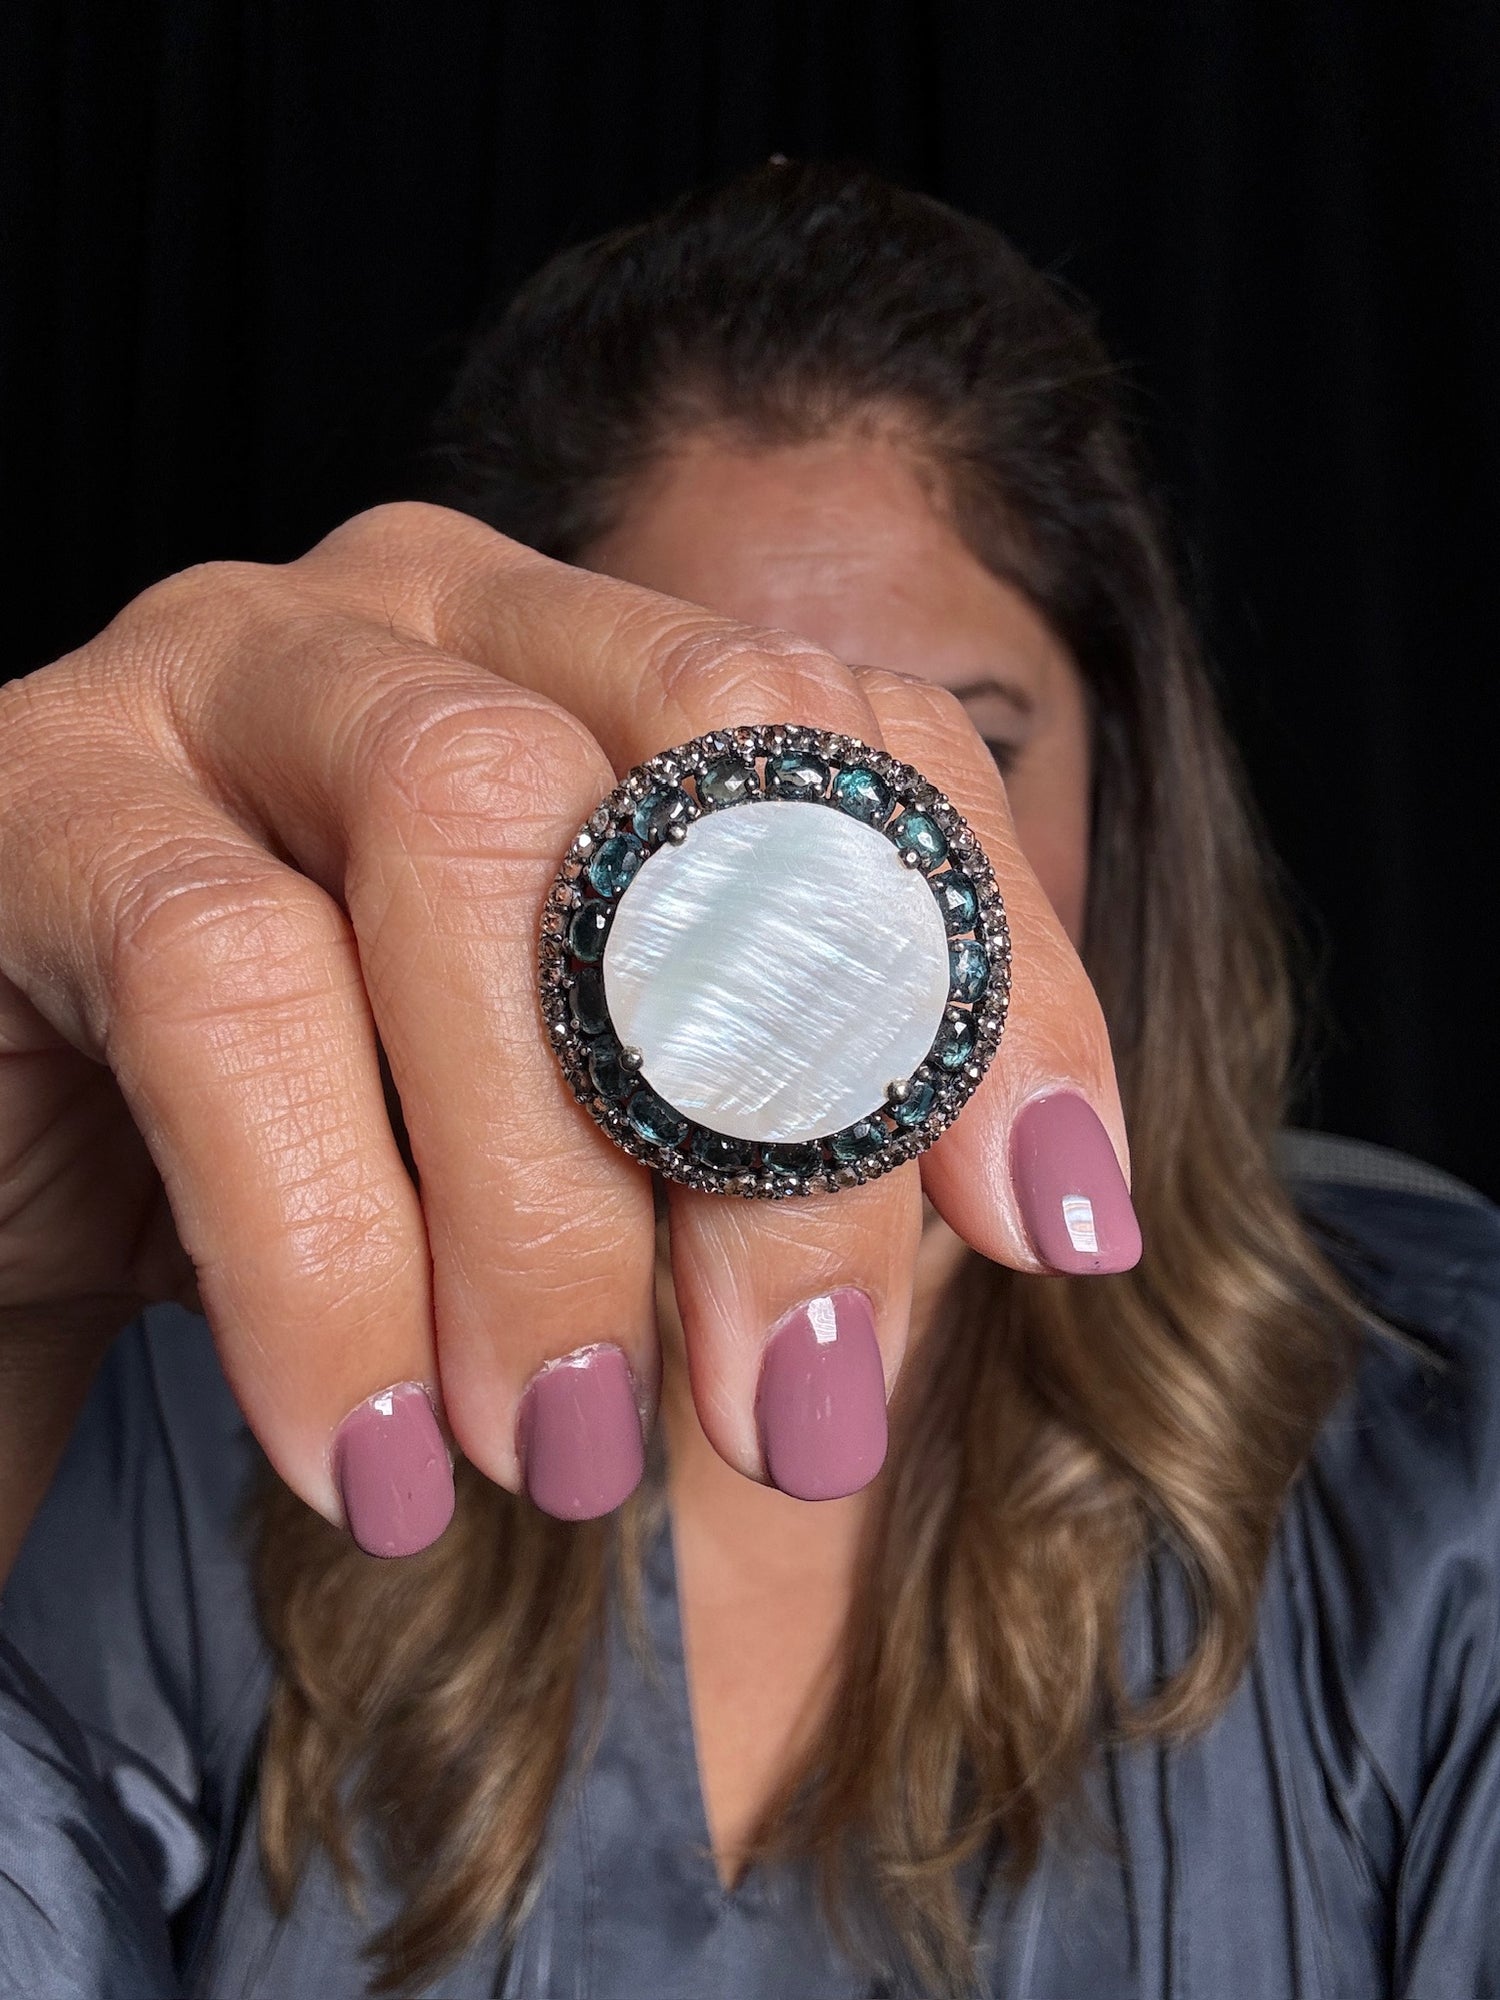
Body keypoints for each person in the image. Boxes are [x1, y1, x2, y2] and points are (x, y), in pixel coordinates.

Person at [0, 159, 1496, 2000]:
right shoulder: (197, 1404)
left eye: (963, 760)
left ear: (1129, 788)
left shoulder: (1448, 1451)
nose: (832, 934)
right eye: (699, 800)